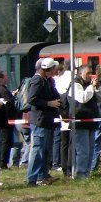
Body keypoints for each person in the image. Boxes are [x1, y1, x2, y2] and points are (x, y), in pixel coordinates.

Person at [26, 58, 61, 186]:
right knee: (38, 149)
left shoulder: (46, 80)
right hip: (39, 120)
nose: (54, 72)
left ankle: (43, 175)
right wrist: (48, 103)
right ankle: (32, 178)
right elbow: (32, 99)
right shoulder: (37, 80)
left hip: (46, 120)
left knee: (45, 150)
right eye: (53, 70)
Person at [71, 64, 101, 179]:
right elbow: (82, 98)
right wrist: (91, 87)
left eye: (91, 73)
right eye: (87, 73)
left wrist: (97, 88)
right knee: (83, 150)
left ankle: (87, 172)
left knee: (90, 150)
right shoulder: (75, 84)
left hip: (90, 121)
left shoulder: (90, 85)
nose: (90, 76)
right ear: (80, 74)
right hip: (80, 122)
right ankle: (80, 173)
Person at [51, 57, 73, 176]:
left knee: (60, 139)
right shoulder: (68, 76)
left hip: (60, 110)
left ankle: (59, 163)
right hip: (65, 111)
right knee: (64, 140)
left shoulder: (55, 79)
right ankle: (63, 165)